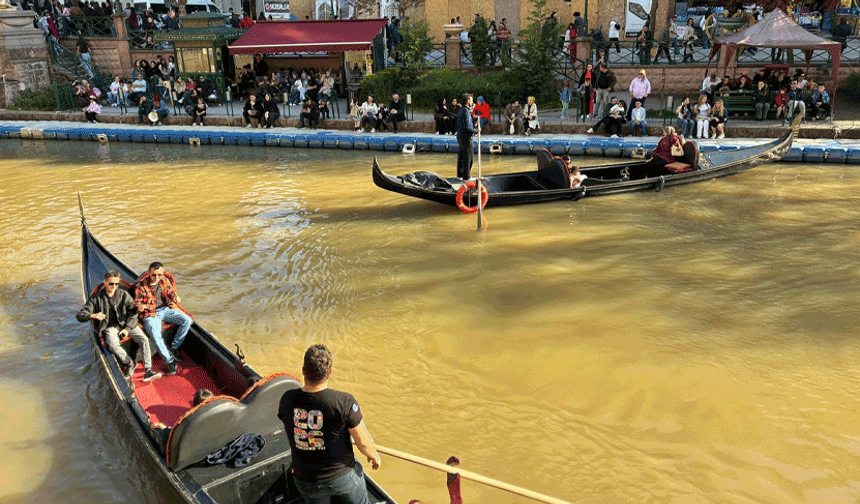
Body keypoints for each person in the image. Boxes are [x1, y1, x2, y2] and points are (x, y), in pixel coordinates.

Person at [277, 344, 381, 504]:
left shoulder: (286, 399)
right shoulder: (344, 402)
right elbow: (363, 444)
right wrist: (374, 456)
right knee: (358, 468)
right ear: (329, 372)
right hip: (341, 478)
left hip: (305, 480)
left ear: (303, 370)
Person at [77, 270, 162, 382]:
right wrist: (94, 315)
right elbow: (80, 315)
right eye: (111, 283)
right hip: (110, 327)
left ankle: (148, 370)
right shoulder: (96, 298)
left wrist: (127, 329)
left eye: (117, 284)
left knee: (144, 339)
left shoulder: (123, 294)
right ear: (105, 282)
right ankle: (129, 363)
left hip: (126, 323)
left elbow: (133, 313)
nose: (114, 286)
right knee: (112, 344)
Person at [134, 261, 192, 376]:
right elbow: (138, 306)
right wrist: (150, 306)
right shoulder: (141, 286)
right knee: (156, 335)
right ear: (149, 273)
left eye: (159, 274)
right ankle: (170, 361)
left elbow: (171, 293)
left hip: (165, 309)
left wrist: (175, 297)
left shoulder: (164, 279)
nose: (156, 277)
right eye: (154, 275)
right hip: (150, 314)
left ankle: (174, 346)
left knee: (187, 320)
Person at [456, 93, 476, 179]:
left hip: (460, 135)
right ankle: (466, 177)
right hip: (466, 136)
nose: (472, 102)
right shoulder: (466, 111)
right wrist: (476, 130)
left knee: (461, 156)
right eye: (471, 100)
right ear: (467, 101)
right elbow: (468, 126)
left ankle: (460, 175)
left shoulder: (461, 110)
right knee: (468, 157)